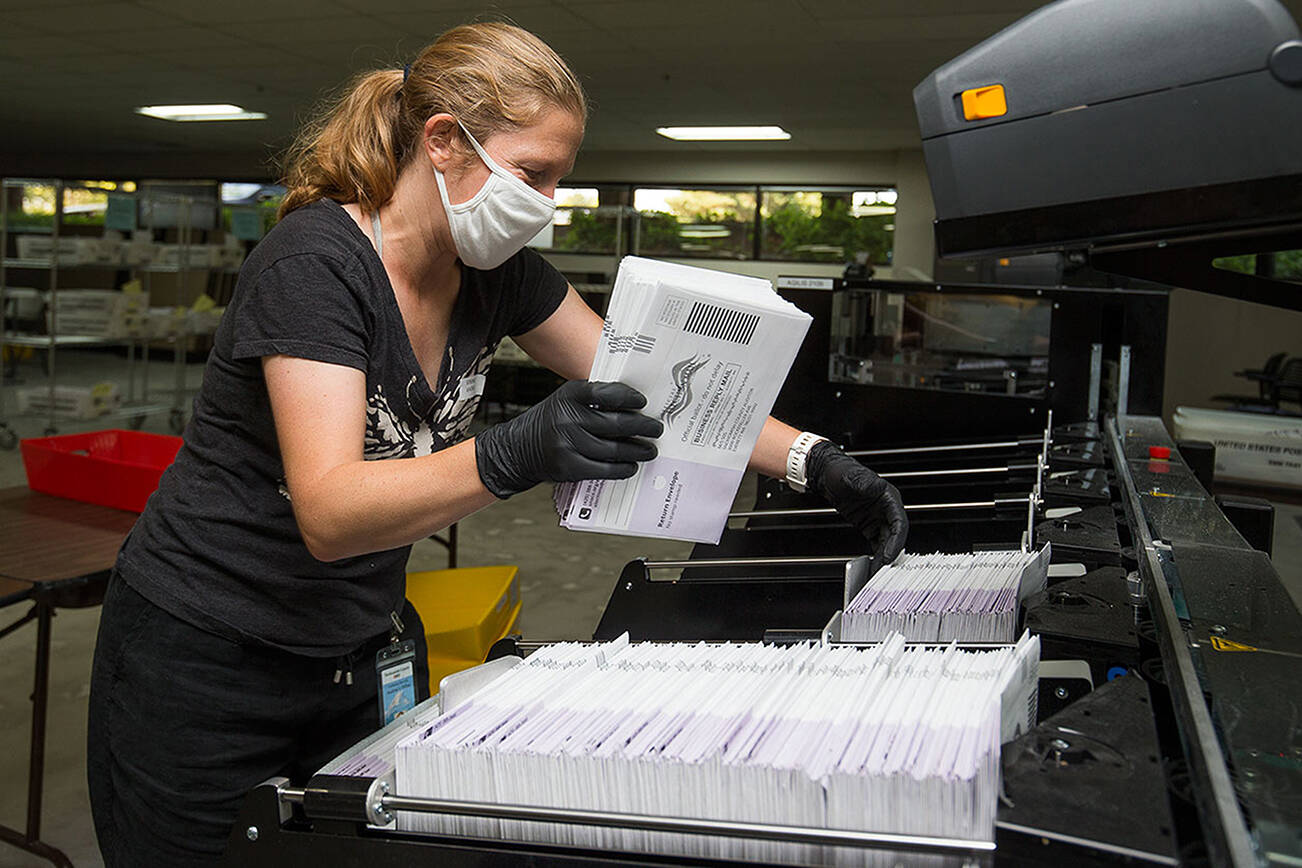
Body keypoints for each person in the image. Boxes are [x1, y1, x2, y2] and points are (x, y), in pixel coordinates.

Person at [86, 21, 907, 867]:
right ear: (443, 140)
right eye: (534, 173)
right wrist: (511, 453)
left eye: (560, 179)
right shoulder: (316, 266)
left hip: (349, 647)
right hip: (206, 652)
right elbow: (329, 511)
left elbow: (656, 386)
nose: (547, 203)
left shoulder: (495, 269)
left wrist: (814, 460)